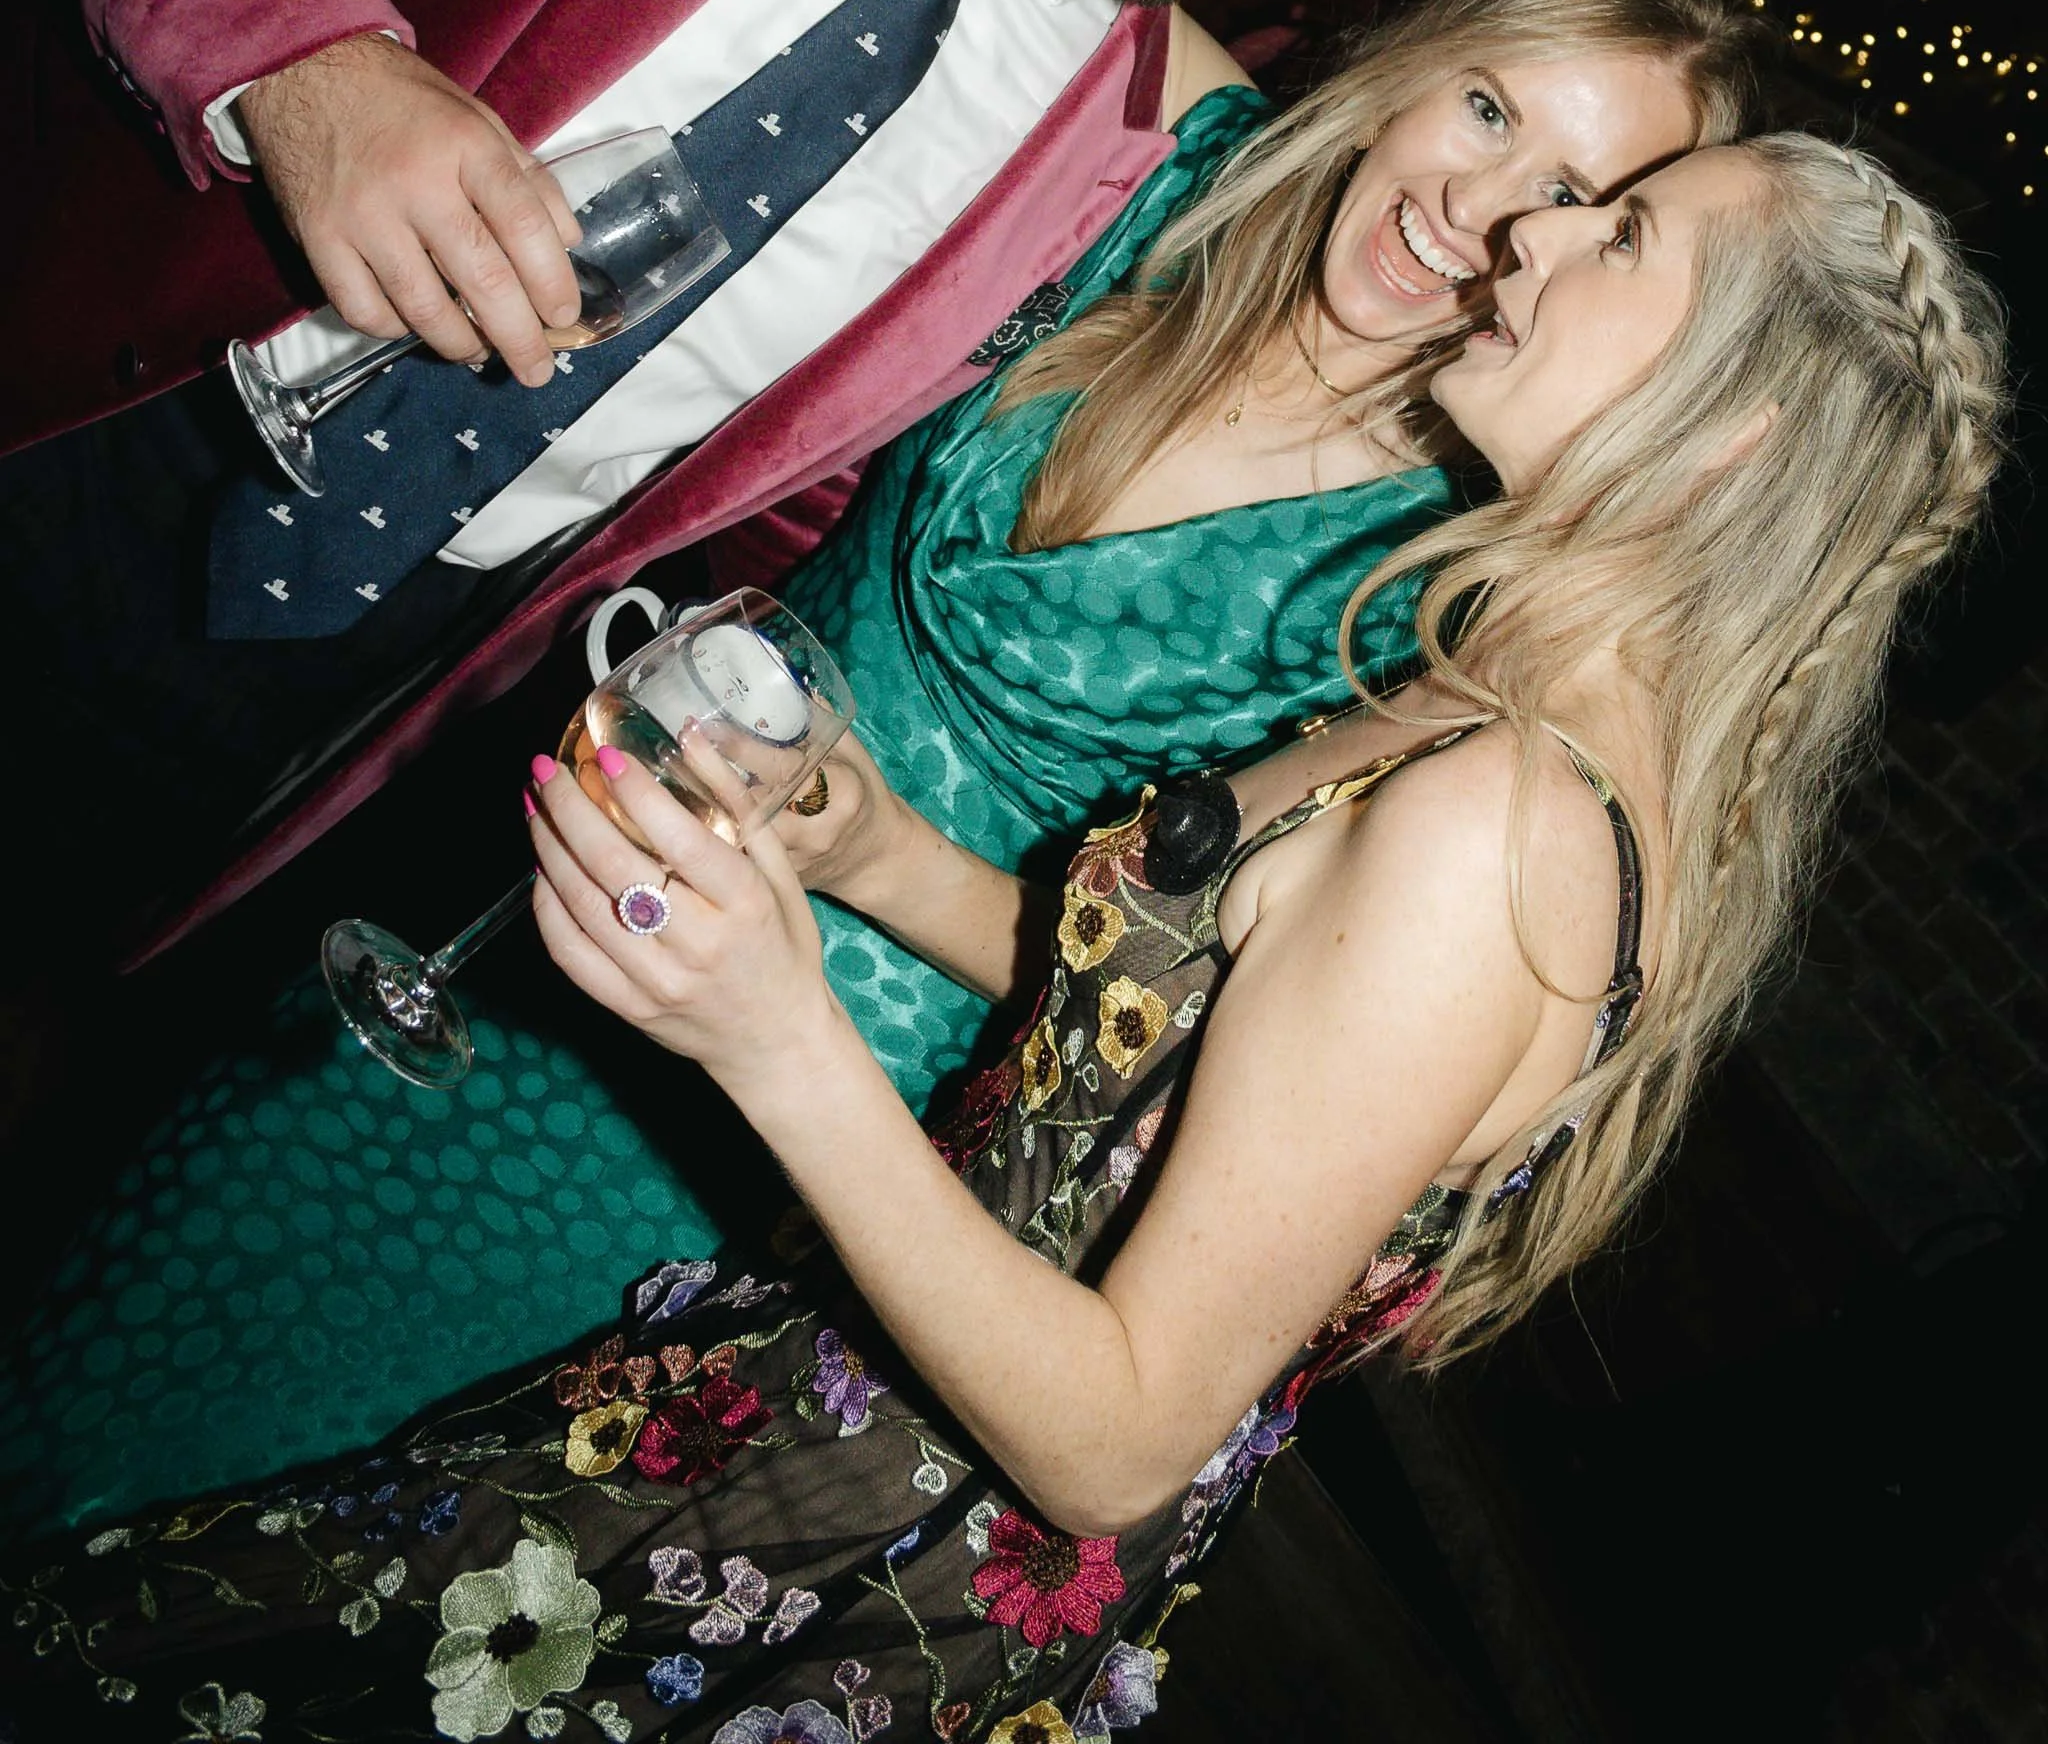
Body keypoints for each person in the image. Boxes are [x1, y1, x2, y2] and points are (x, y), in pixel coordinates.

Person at [1, 132, 2004, 1741]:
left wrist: (773, 1034)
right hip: (800, 1423)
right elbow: (1157, 1062)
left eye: (1625, 238)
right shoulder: (1494, 719)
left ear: (1729, 434)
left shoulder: (1500, 829)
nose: (1541, 234)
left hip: (844, 1562)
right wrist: (864, 850)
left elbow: (1123, 1430)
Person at [0, 0, 1762, 1530]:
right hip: (546, 904)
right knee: (119, 1334)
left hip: (764, 1148)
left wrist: (863, 872)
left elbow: (1163, 1048)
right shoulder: (1167, 188)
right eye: (1485, 108)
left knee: (273, 1541)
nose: (1489, 208)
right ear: (1409, 62)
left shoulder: (1426, 612)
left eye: (1585, 201)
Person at [1, 0, 1609, 965]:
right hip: (92, 376)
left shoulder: (1109, 147)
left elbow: (756, 482)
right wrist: (302, 63)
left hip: (338, 677)